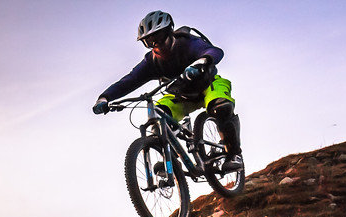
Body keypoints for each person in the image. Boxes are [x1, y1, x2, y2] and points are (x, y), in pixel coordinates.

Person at [93, 10, 242, 172]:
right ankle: (170, 162)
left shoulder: (186, 43)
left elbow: (215, 51)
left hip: (208, 85)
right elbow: (129, 81)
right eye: (148, 41)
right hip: (181, 96)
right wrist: (104, 98)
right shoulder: (152, 61)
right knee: (158, 119)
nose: (155, 44)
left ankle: (234, 154)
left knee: (221, 107)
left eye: (157, 37)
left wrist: (201, 62)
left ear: (169, 32)